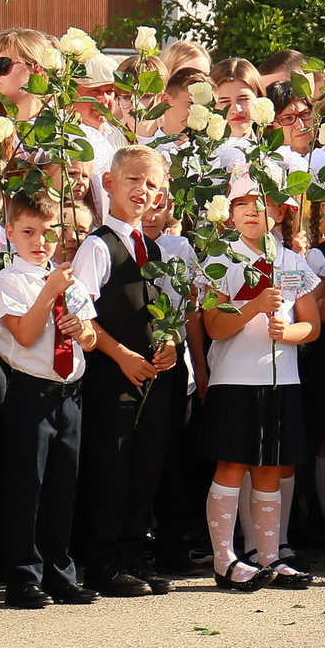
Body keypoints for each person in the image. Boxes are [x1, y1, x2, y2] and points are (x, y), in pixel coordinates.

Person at [69, 146, 187, 598]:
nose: (143, 190)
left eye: (152, 185)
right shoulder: (99, 246)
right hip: (111, 375)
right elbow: (82, 314)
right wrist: (121, 355)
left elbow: (165, 313)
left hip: (151, 377)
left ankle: (134, 557)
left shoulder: (155, 248)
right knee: (112, 470)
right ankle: (102, 563)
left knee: (145, 470)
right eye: (134, 180)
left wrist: (170, 344)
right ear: (109, 182)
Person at [197, 179, 322, 591]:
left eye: (264, 203)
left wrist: (288, 332)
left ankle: (269, 556)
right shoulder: (219, 257)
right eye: (243, 204)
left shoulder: (291, 259)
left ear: (281, 212)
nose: (253, 211)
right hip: (234, 378)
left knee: (270, 468)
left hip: (281, 379)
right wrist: (253, 306)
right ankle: (224, 559)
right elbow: (214, 326)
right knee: (232, 465)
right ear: (229, 212)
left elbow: (313, 325)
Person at [0, 186, 97, 607]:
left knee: (61, 486)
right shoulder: (10, 280)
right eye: (29, 233)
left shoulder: (70, 281)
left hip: (70, 393)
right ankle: (22, 576)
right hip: (30, 394)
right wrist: (50, 291)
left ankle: (58, 572)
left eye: (48, 232)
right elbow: (27, 333)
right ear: (11, 232)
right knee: (25, 487)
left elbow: (88, 337)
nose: (40, 242)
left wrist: (80, 330)